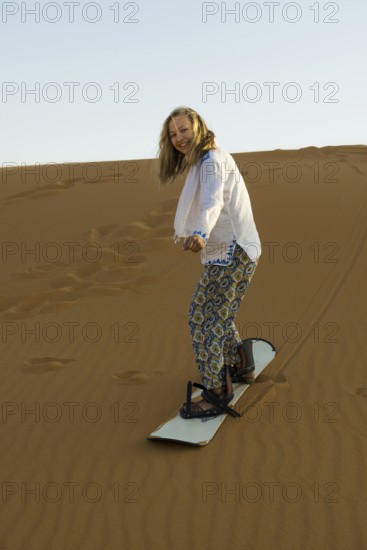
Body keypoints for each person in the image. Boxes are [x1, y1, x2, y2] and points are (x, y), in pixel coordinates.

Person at [158, 106, 262, 418]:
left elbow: (212, 201)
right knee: (215, 312)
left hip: (233, 250)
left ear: (198, 128)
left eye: (184, 130)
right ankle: (243, 364)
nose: (179, 138)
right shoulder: (204, 161)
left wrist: (201, 232)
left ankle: (218, 391)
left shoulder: (212, 162)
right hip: (228, 250)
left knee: (203, 318)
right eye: (173, 134)